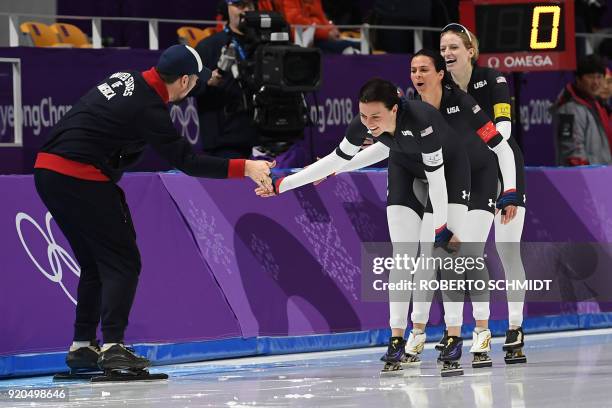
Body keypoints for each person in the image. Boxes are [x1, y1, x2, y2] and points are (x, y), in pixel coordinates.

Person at [34, 44, 274, 379]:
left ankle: (83, 347)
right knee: (123, 261)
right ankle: (114, 348)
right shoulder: (148, 107)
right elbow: (187, 161)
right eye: (195, 82)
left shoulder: (126, 79)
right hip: (79, 175)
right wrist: (245, 167)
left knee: (95, 263)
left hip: (47, 172)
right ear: (186, 81)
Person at [256, 78, 471, 376]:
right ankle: (397, 338)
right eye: (364, 116)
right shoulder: (366, 123)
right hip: (406, 168)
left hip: (449, 173)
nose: (368, 124)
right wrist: (282, 185)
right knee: (403, 257)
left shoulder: (422, 120)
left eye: (375, 117)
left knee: (439, 254)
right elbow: (336, 158)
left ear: (394, 110)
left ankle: (453, 335)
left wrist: (442, 228)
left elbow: (436, 180)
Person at [407, 49, 517, 368]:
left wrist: (509, 189)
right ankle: (434, 332)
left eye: (424, 69)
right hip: (447, 183)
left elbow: (499, 145)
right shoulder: (412, 111)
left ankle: (480, 331)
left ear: (440, 73)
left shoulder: (464, 103)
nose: (417, 76)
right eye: (413, 70)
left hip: (481, 176)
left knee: (466, 254)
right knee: (435, 255)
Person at [440, 23, 528, 364]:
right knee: (467, 255)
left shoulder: (493, 81)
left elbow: (503, 129)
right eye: (443, 48)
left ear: (470, 51)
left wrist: (508, 189)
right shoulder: (442, 87)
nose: (447, 53)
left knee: (508, 251)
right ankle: (480, 331)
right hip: (471, 175)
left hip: (504, 167)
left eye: (453, 47)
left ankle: (516, 328)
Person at [195, 0, 258, 158]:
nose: (244, 11)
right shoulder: (208, 47)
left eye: (249, 6)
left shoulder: (264, 46)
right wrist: (207, 82)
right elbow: (184, 87)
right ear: (226, 9)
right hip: (225, 143)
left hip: (262, 138)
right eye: (239, 5)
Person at [552, 54, 611, 166]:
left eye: (599, 77)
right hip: (584, 178)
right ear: (578, 79)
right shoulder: (569, 109)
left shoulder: (598, 105)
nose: (596, 82)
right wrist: (587, 176)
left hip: (602, 176)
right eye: (590, 77)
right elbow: (572, 153)